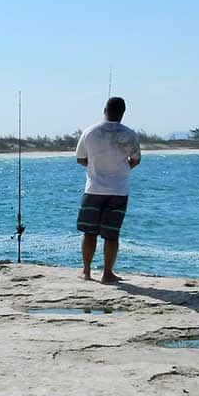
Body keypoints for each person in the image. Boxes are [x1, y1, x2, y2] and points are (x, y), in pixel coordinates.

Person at [75, 97, 141, 284]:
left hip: (93, 189)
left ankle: (86, 271)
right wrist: (121, 169)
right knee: (112, 234)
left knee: (89, 232)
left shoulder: (89, 132)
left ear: (104, 109)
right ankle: (107, 273)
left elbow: (80, 158)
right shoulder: (129, 134)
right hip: (118, 190)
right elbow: (135, 160)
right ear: (123, 113)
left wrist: (95, 167)